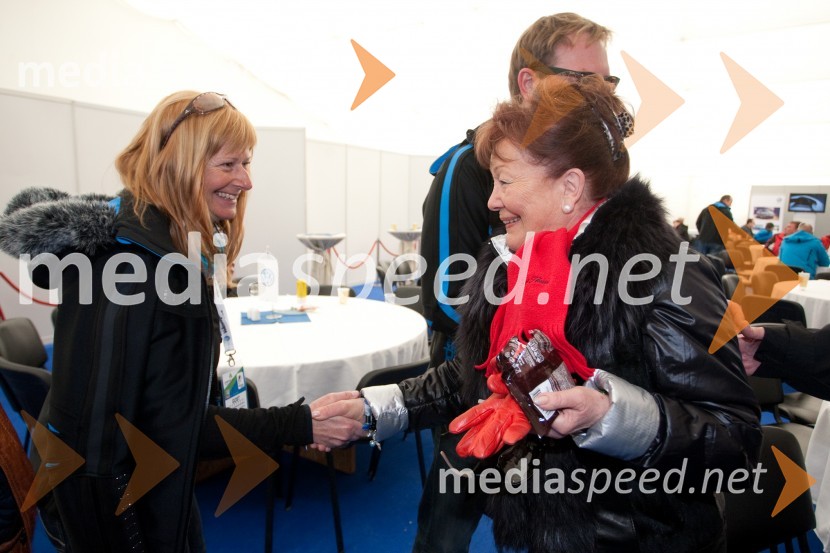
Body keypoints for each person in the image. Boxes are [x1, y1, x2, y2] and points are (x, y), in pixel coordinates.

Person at [315, 76, 761, 552]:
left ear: (570, 186)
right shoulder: (511, 266)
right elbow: (476, 375)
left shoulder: (666, 275)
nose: (491, 200)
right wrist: (379, 408)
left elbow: (734, 439)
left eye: (505, 180)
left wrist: (614, 416)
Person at [0, 91, 361, 552]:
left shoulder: (133, 245)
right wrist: (301, 425)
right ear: (181, 164)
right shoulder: (144, 271)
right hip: (120, 517)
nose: (246, 181)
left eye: (246, 164)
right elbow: (169, 430)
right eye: (229, 164)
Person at [415, 13, 617, 552]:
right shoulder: (467, 167)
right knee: (451, 512)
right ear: (529, 83)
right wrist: (517, 359)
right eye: (581, 80)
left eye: (607, 81)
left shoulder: (595, 177)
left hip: (557, 393)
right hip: (475, 370)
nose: (599, 95)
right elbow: (447, 288)